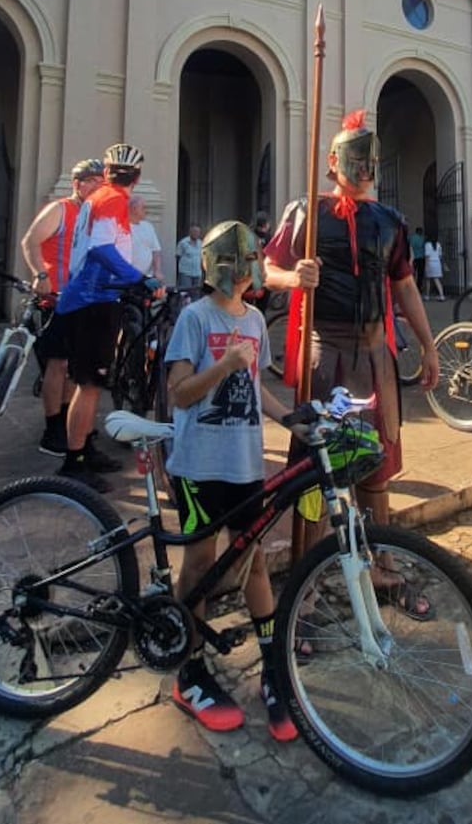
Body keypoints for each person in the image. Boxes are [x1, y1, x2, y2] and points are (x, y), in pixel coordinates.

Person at [263, 110, 439, 546]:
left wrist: (429, 345)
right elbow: (266, 268)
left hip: (376, 353)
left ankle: (380, 559)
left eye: (369, 161)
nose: (363, 169)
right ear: (333, 161)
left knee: (377, 461)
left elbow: (405, 286)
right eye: (354, 159)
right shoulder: (306, 210)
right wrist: (293, 278)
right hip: (325, 353)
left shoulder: (390, 221)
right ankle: (309, 562)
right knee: (316, 465)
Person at [167, 220, 297, 743]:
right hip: (200, 465)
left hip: (244, 463)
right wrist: (222, 364)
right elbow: (179, 393)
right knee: (198, 563)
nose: (250, 269)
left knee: (254, 562)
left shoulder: (258, 321)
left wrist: (290, 418)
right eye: (243, 261)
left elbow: (256, 386)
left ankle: (271, 667)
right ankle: (190, 670)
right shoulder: (194, 319)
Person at [56, 142, 160, 492]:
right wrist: (138, 278)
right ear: (138, 177)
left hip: (91, 297)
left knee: (91, 384)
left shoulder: (97, 197)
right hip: (93, 300)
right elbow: (101, 249)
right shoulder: (114, 199)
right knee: (89, 386)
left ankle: (84, 448)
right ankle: (74, 462)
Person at [20, 157, 104, 455]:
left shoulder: (95, 218)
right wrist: (39, 274)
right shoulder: (61, 210)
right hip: (55, 297)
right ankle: (52, 428)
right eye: (91, 181)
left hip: (83, 301)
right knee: (57, 365)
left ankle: (70, 422)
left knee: (74, 367)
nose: (97, 186)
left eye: (100, 182)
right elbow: (30, 241)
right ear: (77, 184)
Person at [129, 195, 164, 278]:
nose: (146, 211)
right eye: (143, 208)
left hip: (147, 276)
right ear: (134, 209)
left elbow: (156, 251)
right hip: (128, 277)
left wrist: (157, 270)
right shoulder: (123, 227)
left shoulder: (148, 226)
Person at [423, 236, 445, 300]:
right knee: (437, 279)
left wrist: (426, 266)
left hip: (430, 263)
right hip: (437, 263)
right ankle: (442, 295)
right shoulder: (438, 244)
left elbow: (427, 256)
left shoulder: (427, 245)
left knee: (428, 280)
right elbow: (440, 255)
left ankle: (427, 296)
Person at [409, 226, 426, 290]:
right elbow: (424, 247)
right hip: (421, 258)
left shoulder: (411, 238)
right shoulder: (422, 239)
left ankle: (412, 287)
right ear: (420, 232)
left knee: (413, 273)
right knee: (420, 274)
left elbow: (409, 246)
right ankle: (419, 287)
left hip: (413, 258)